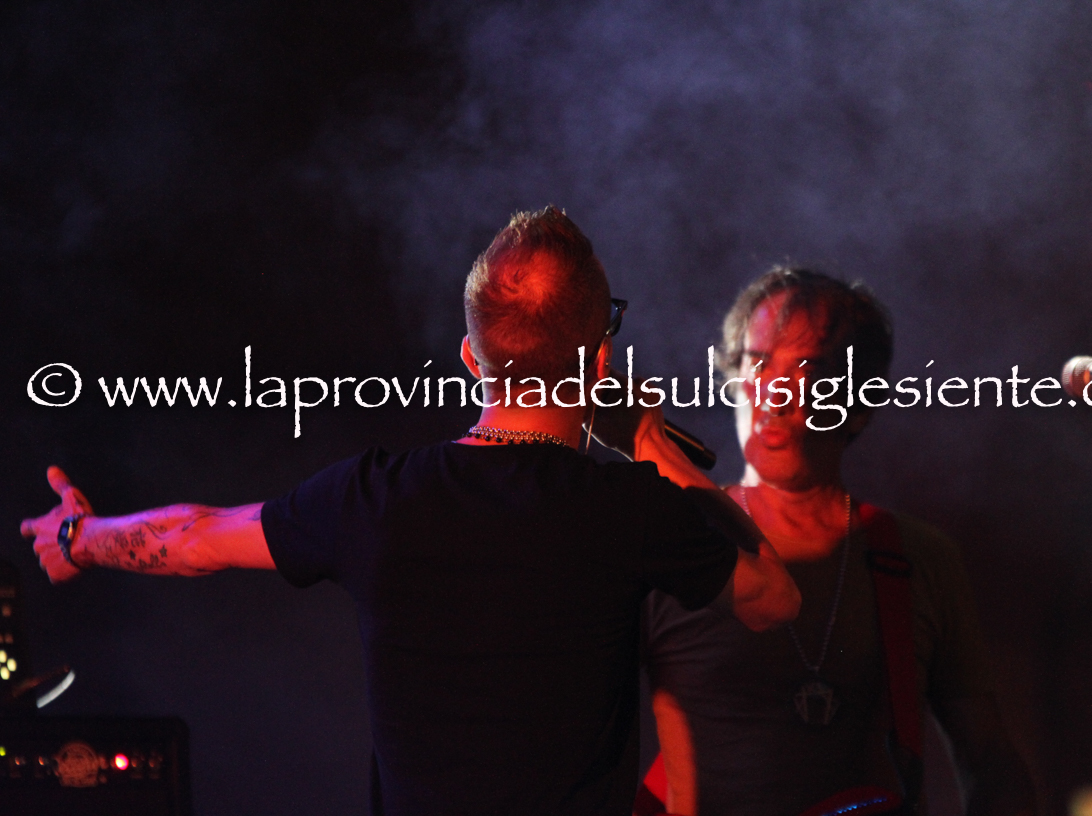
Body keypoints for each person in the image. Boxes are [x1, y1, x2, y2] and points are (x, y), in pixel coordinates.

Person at [21, 207, 800, 816]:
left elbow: (196, 537)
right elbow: (775, 598)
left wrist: (78, 537)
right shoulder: (628, 509)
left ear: (470, 357)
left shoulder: (375, 498)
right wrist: (651, 447)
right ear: (599, 363)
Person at [643, 268, 1035, 816]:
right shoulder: (671, 540)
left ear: (859, 402)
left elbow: (992, 763)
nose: (775, 392)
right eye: (759, 363)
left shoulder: (918, 557)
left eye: (809, 369)